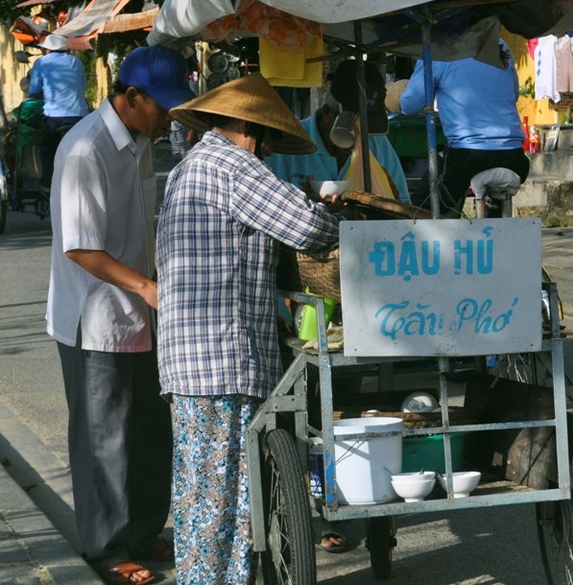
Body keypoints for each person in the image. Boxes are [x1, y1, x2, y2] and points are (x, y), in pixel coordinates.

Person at [156, 73, 344, 584]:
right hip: (221, 359)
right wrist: (331, 215)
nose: (262, 148)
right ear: (243, 125)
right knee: (226, 502)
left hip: (195, 358)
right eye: (260, 136)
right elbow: (305, 227)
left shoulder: (190, 165)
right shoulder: (230, 165)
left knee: (201, 498)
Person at [46, 45, 194, 585]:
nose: (168, 117)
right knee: (104, 437)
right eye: (162, 106)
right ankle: (107, 550)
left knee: (150, 431)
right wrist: (146, 288)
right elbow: (80, 247)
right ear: (131, 97)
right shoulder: (86, 149)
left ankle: (143, 528)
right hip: (95, 317)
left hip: (141, 312)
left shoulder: (140, 143)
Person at [400, 38, 529, 215]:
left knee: (422, 207)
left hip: (467, 155)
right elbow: (513, 94)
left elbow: (410, 105)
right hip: (514, 157)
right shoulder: (500, 45)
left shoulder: (437, 48)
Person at [266, 59, 410, 202]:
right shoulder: (289, 140)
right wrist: (302, 205)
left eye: (365, 126)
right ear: (327, 113)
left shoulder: (378, 144)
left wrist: (393, 197)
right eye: (350, 126)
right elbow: (269, 205)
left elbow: (404, 207)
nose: (358, 137)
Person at [29, 32, 89, 193]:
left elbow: (33, 90)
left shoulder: (41, 63)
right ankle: (83, 180)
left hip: (53, 117)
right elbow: (82, 88)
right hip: (78, 116)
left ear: (47, 49)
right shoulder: (76, 62)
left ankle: (47, 183)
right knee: (83, 149)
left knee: (47, 147)